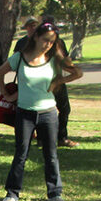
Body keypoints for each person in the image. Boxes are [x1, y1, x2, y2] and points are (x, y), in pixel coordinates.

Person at [0, 22, 82, 201]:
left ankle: (55, 193)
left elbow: (78, 72)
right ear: (36, 37)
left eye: (52, 42)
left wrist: (59, 82)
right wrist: (7, 95)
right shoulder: (20, 57)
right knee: (20, 154)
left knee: (51, 154)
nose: (48, 44)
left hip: (48, 113)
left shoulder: (55, 58)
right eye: (45, 40)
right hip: (24, 113)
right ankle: (12, 193)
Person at [41, 15, 79, 147]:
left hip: (56, 81)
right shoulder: (56, 43)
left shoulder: (57, 43)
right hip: (51, 82)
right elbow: (70, 65)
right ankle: (56, 138)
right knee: (50, 110)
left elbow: (69, 64)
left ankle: (54, 137)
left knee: (60, 110)